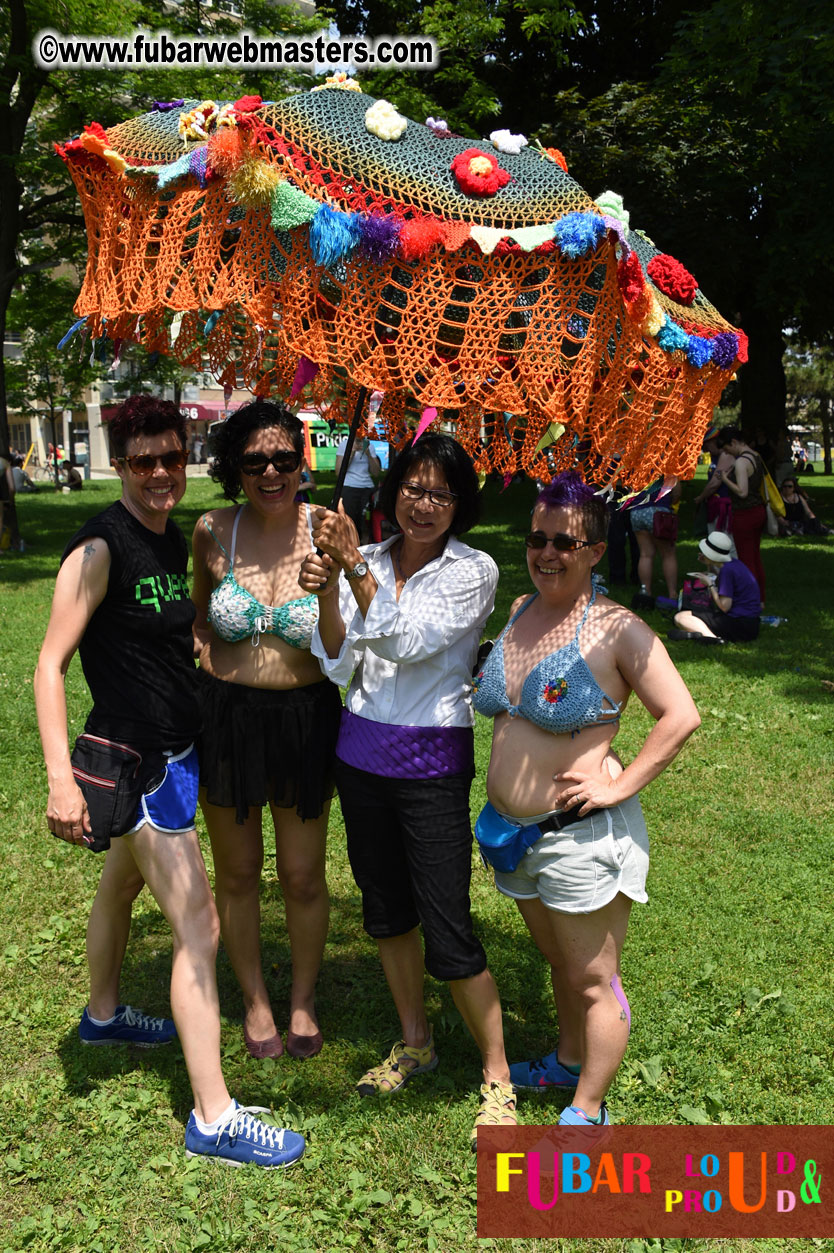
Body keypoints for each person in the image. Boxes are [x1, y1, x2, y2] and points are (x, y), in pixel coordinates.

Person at [33, 395, 304, 1168]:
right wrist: (60, 780)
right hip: (139, 762)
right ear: (119, 464)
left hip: (177, 753)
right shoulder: (98, 548)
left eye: (172, 459)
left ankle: (104, 1012)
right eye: (144, 461)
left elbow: (162, 631)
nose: (160, 473)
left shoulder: (166, 535)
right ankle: (214, 1116)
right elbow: (47, 664)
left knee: (119, 889)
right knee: (199, 926)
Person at [299, 433, 516, 1147]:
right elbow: (336, 662)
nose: (423, 505)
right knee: (387, 913)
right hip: (361, 754)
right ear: (392, 492)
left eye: (440, 493)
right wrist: (330, 584)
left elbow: (407, 640)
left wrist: (352, 563)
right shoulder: (372, 561)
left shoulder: (473, 571)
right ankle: (415, 1039)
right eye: (413, 489)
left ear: (460, 504)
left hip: (430, 759)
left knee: (447, 924)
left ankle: (497, 1076)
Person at [472, 472, 700, 1127]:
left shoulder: (618, 630)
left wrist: (617, 784)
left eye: (564, 542)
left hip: (578, 838)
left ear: (596, 550)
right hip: (515, 835)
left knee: (596, 981)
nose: (547, 552)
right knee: (562, 965)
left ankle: (588, 1110)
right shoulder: (519, 610)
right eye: (537, 538)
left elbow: (679, 715)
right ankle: (569, 1060)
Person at [191, 400, 341, 1060]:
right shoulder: (211, 530)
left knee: (303, 874)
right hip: (227, 719)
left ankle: (303, 1000)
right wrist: (205, 655)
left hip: (308, 716)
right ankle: (255, 1001)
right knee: (239, 872)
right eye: (255, 460)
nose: (271, 471)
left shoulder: (331, 527)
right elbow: (199, 617)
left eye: (284, 457)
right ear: (235, 467)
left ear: (301, 461)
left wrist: (333, 584)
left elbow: (360, 633)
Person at [669, 531, 761, 642]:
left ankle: (713, 639)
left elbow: (724, 607)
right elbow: (724, 584)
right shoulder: (734, 564)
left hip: (739, 625)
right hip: (751, 623)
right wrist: (709, 565)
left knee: (680, 617)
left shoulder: (727, 571)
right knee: (691, 612)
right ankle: (704, 636)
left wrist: (710, 585)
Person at [715, 426, 767, 604]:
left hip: (745, 513)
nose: (727, 452)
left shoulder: (740, 463)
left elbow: (742, 492)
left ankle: (749, 599)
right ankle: (760, 598)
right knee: (755, 556)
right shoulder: (756, 456)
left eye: (727, 448)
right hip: (759, 510)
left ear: (734, 442)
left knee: (746, 559)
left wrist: (725, 479)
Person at [628, 479, 681, 601]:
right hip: (659, 512)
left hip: (637, 511)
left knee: (645, 555)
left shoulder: (635, 462)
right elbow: (677, 491)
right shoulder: (666, 462)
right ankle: (672, 594)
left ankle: (645, 591)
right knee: (668, 554)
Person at [335, 435, 381, 539]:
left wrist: (369, 454)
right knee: (349, 522)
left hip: (367, 487)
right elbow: (338, 472)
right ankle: (351, 545)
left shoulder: (370, 446)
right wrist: (351, 452)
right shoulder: (344, 445)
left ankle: (366, 545)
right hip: (349, 486)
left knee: (367, 522)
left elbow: (376, 472)